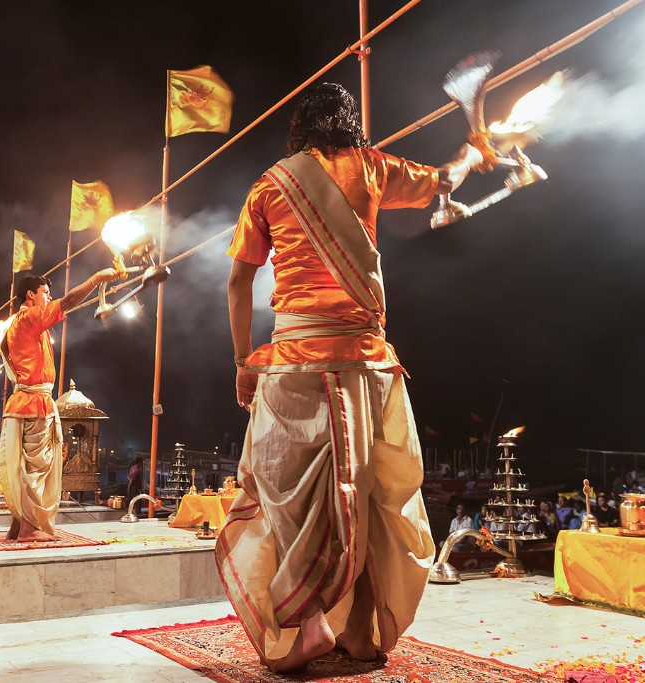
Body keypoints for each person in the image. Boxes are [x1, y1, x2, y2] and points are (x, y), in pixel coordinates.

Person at [214, 82, 484, 673]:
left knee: (291, 502)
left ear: (300, 126)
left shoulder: (270, 183)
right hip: (365, 368)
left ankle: (309, 624)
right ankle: (361, 631)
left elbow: (239, 283)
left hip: (293, 368)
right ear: (349, 123)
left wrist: (242, 363)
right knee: (365, 500)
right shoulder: (374, 168)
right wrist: (471, 151)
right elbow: (443, 180)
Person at [0, 268, 120, 541]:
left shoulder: (20, 324)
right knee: (37, 468)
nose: (49, 299)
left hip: (25, 401)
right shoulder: (29, 317)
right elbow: (67, 303)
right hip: (34, 402)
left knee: (26, 468)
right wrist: (95, 279)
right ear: (30, 295)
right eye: (45, 293)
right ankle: (30, 529)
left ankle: (19, 525)